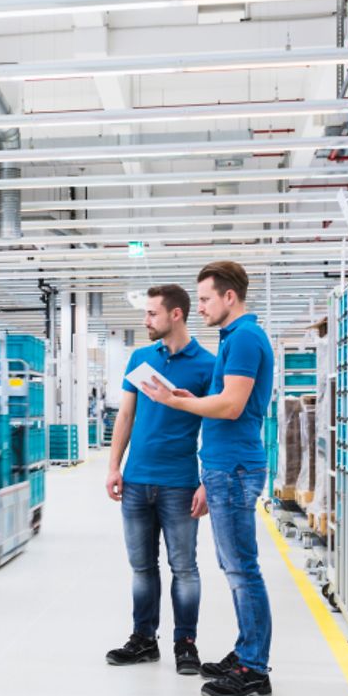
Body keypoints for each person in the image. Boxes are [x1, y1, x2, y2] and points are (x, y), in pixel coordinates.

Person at [140, 261, 275, 696]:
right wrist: (189, 398)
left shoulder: (246, 339)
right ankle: (245, 653)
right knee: (233, 566)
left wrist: (178, 406)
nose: (198, 308)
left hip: (234, 468)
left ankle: (254, 669)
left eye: (204, 299)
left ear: (228, 297)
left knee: (241, 570)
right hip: (225, 465)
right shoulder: (235, 338)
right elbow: (223, 400)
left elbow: (233, 407)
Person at [104, 285, 216, 674]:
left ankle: (185, 643)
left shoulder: (207, 365)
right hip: (136, 481)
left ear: (176, 315)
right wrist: (114, 466)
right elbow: (125, 416)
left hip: (180, 482)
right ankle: (143, 639)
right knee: (141, 567)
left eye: (152, 313)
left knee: (184, 568)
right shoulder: (139, 358)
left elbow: (216, 426)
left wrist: (206, 482)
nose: (145, 320)